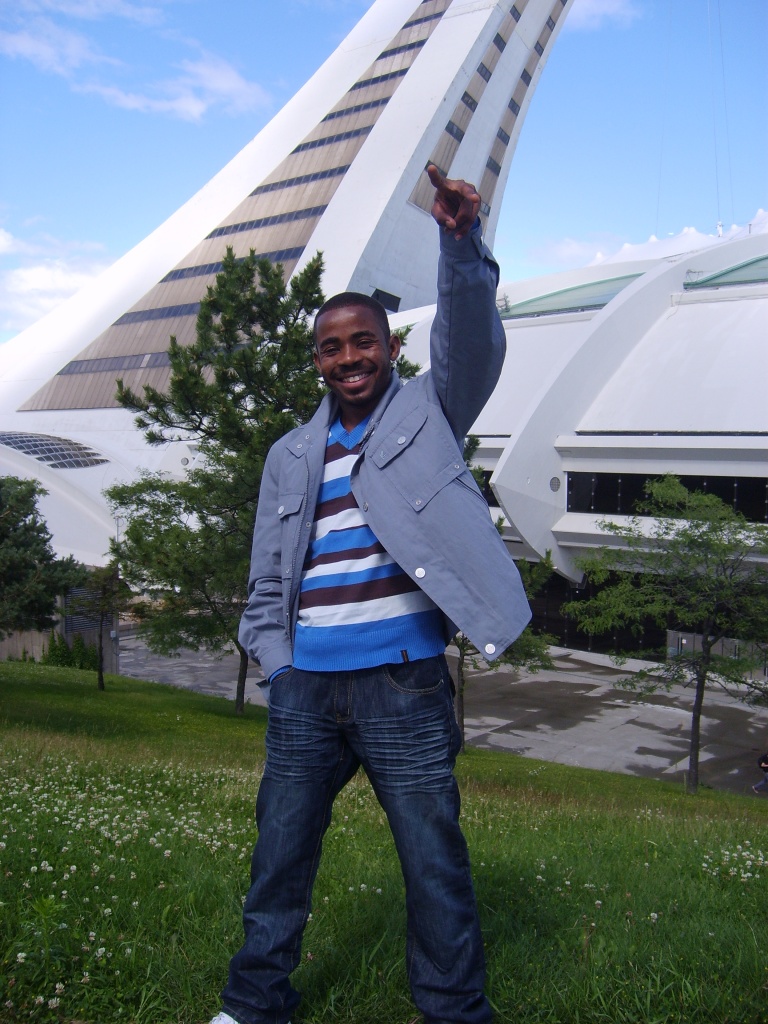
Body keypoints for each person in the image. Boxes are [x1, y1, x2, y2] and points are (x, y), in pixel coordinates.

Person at [210, 165, 531, 1024]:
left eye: (364, 341)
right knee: (278, 857)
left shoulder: (432, 410)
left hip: (405, 686)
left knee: (433, 862)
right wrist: (278, 667)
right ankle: (253, 1003)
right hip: (306, 690)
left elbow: (474, 339)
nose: (348, 357)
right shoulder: (288, 454)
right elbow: (268, 580)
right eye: (331, 346)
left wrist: (459, 243)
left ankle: (454, 1011)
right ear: (315, 358)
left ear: (391, 348)